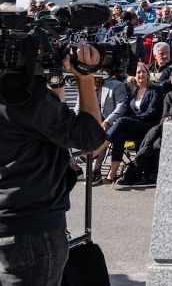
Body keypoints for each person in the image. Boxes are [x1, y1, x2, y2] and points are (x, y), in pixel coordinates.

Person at [0, 44, 107, 285]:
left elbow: (47, 128)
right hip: (31, 230)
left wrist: (56, 85)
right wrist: (85, 76)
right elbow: (90, 138)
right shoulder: (23, 96)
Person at [98, 62, 164, 184]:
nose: (141, 74)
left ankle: (102, 146)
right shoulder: (132, 91)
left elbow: (152, 112)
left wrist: (131, 119)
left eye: (144, 71)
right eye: (138, 72)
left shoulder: (155, 89)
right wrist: (131, 119)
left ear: (148, 74)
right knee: (119, 135)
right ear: (134, 75)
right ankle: (112, 173)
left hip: (149, 126)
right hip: (135, 126)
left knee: (123, 121)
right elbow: (128, 111)